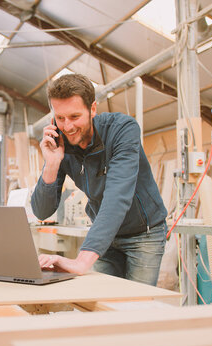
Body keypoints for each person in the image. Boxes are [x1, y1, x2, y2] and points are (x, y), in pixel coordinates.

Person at [30, 73, 167, 286]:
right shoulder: (59, 143)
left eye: (75, 117)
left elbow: (117, 197)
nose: (67, 127)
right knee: (104, 301)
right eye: (60, 118)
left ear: (92, 109)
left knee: (137, 305)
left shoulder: (122, 130)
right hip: (106, 237)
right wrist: (52, 163)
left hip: (143, 234)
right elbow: (41, 211)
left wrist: (82, 261)